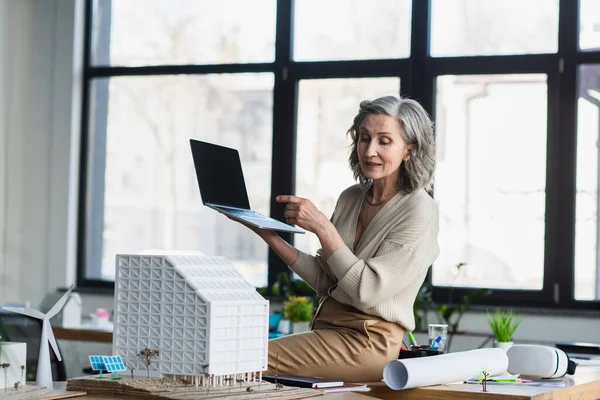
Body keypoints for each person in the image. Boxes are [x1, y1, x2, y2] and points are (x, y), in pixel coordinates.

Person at [237, 95, 439, 382]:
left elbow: (366, 290)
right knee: (239, 356)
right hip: (328, 331)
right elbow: (326, 280)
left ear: (409, 149)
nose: (369, 151)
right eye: (364, 138)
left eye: (384, 141)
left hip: (369, 341)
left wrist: (322, 226)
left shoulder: (419, 209)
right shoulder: (351, 197)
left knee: (244, 357)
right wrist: (268, 235)